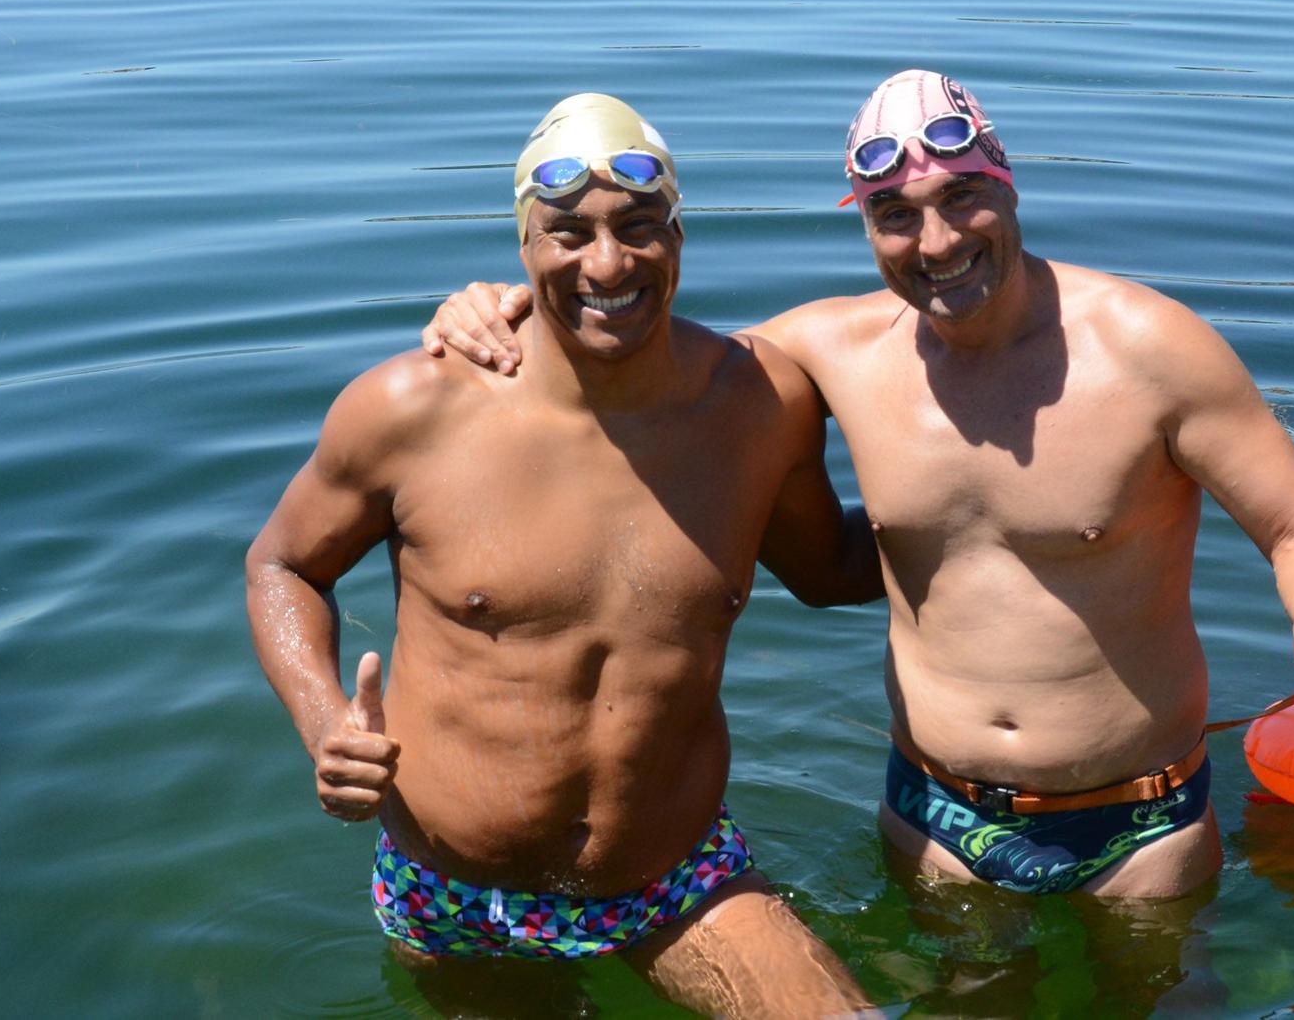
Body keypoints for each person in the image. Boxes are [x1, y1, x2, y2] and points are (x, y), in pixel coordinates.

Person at [422, 70, 1294, 906]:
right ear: (865, 224)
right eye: (896, 215)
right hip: (930, 820)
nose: (937, 239)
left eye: (963, 197)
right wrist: (496, 305)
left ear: (1007, 188)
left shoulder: (1152, 349)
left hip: (1142, 824)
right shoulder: (825, 351)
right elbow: (634, 344)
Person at [246, 93, 877, 1018]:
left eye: (638, 226)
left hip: (678, 878)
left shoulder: (758, 407)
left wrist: (1040, 517)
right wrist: (324, 722)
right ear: (524, 247)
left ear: (679, 236)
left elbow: (829, 572)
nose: (608, 262)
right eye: (567, 234)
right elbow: (284, 564)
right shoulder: (410, 410)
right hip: (453, 896)